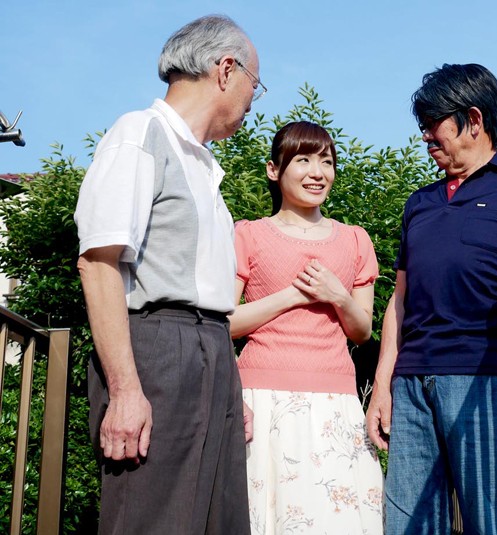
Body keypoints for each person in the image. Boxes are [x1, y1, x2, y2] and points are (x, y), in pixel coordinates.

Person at [74, 15, 265, 534]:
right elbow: (98, 263)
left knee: (219, 522)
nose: (254, 98)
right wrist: (125, 391)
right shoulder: (139, 134)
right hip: (159, 352)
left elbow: (208, 295)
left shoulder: (203, 165)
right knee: (154, 520)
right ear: (226, 69)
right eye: (256, 82)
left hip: (211, 351)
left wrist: (228, 385)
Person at [365, 63, 497, 534]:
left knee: (491, 523)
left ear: (473, 120)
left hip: (483, 377)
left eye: (434, 124)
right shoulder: (420, 202)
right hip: (411, 383)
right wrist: (382, 385)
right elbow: (400, 301)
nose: (426, 136)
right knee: (408, 525)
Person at [230, 121, 384, 534]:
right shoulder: (248, 235)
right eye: (303, 160)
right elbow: (223, 322)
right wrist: (291, 296)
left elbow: (362, 331)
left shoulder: (355, 240)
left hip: (335, 402)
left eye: (326, 162)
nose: (318, 172)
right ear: (273, 170)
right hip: (260, 401)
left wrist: (338, 296)